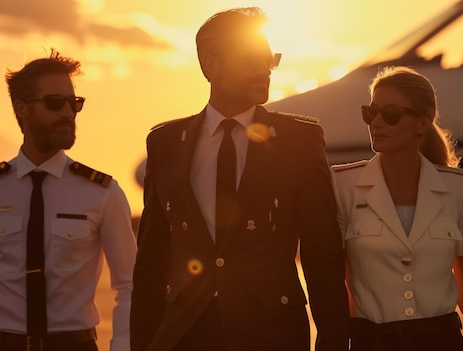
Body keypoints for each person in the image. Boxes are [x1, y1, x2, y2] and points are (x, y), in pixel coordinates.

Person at [130, 7, 350, 351]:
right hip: (182, 335)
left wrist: (333, 343)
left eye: (269, 60)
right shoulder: (166, 143)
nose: (264, 70)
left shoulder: (300, 140)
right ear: (210, 65)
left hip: (272, 335)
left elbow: (321, 256)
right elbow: (151, 261)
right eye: (250, 59)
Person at [0, 49, 137, 351]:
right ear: (22, 109)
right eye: (55, 103)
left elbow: (130, 285)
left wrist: (121, 346)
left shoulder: (102, 193)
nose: (68, 113)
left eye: (74, 103)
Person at [332, 66, 463, 351]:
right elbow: (337, 289)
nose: (377, 123)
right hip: (372, 343)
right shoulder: (342, 185)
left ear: (422, 123)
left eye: (392, 113)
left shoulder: (458, 186)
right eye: (371, 112)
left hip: (442, 342)